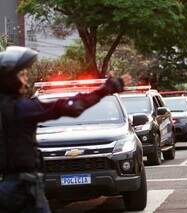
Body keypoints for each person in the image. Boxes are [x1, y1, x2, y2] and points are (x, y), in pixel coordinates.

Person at [0, 46, 131, 213]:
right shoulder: (22, 108)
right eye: (22, 75)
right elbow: (73, 106)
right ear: (10, 78)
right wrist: (107, 89)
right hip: (24, 188)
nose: (26, 79)